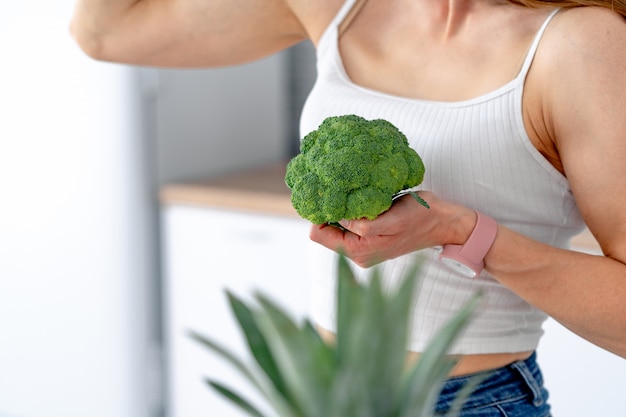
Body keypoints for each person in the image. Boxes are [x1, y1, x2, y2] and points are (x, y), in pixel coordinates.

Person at [71, 0, 626, 415]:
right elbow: (102, 32)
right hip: (324, 395)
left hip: (471, 403)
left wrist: (460, 231)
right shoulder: (344, 5)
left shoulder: (582, 44)